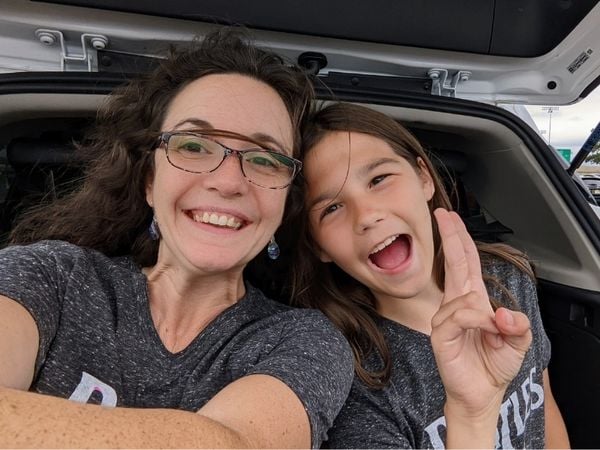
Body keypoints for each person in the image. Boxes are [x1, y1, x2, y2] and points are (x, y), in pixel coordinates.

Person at [0, 30, 354, 448]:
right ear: (149, 180)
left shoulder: (306, 340)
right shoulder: (49, 275)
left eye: (263, 158)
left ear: (283, 206)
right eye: (193, 145)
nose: (227, 182)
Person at [291, 102, 570, 448]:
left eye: (379, 179)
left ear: (424, 178)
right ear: (319, 248)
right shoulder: (353, 378)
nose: (366, 215)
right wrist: (471, 414)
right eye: (331, 208)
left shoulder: (508, 277)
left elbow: (543, 406)